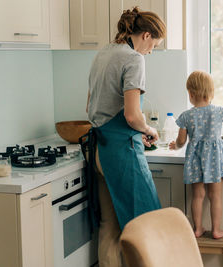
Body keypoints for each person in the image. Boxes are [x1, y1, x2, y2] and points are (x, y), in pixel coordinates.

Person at [85, 7, 166, 267]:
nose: (151, 50)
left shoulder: (103, 53)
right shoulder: (133, 59)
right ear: (145, 35)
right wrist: (148, 130)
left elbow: (90, 106)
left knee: (110, 226)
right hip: (121, 154)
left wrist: (132, 131)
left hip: (98, 151)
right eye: (154, 44)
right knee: (144, 224)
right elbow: (132, 116)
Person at [169, 71, 223, 239]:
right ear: (211, 92)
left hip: (195, 159)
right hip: (214, 158)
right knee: (215, 196)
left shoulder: (186, 116)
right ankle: (216, 230)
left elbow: (181, 140)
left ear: (191, 93)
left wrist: (176, 145)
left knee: (198, 195)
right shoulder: (218, 111)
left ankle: (197, 229)